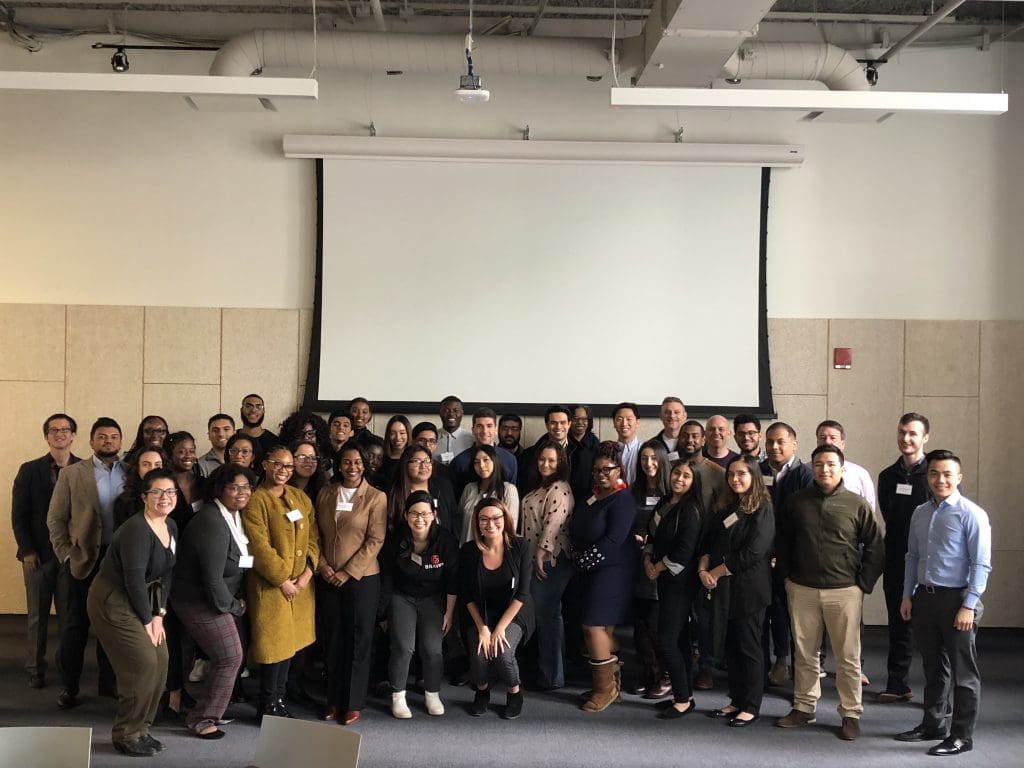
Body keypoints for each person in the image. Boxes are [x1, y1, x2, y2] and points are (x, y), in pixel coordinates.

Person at [774, 445, 883, 741]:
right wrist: (786, 577)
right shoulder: (797, 502)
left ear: (842, 468)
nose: (824, 470)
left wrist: (863, 584)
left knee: (847, 657)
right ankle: (804, 707)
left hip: (845, 591)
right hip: (802, 588)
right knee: (805, 653)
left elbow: (875, 546)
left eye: (831, 464)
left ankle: (850, 713)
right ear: (812, 467)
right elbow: (782, 542)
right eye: (819, 464)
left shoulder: (856, 504)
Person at [896, 450, 992, 756]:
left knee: (964, 673)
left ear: (959, 478)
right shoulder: (920, 512)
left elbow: (981, 564)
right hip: (925, 598)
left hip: (959, 600)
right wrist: (907, 594)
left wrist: (969, 604)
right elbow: (912, 556)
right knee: (933, 667)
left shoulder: (971, 514)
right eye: (934, 473)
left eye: (947, 474)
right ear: (927, 476)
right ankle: (933, 724)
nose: (940, 479)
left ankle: (962, 736)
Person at [86, 467, 177, 757]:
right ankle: (125, 732)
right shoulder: (137, 529)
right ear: (144, 497)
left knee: (161, 661)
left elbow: (166, 575)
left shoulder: (170, 526)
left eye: (171, 492)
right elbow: (134, 579)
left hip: (144, 599)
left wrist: (159, 614)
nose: (165, 497)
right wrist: (148, 619)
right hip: (112, 600)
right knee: (142, 665)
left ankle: (142, 728)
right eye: (157, 492)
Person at [171, 464, 257, 739]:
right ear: (220, 490)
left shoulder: (233, 516)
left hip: (216, 599)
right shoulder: (211, 521)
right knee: (230, 656)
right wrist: (234, 607)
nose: (241, 492)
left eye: (246, 487)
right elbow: (212, 580)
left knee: (230, 656)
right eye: (234, 487)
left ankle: (205, 711)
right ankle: (202, 718)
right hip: (198, 600)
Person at [46, 416, 124, 709]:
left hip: (116, 561)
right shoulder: (72, 474)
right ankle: (70, 686)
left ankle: (109, 683)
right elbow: (55, 519)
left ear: (120, 442)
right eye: (102, 437)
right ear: (91, 441)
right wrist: (65, 553)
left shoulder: (130, 473)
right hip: (81, 559)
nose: (108, 442)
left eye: (114, 437)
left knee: (112, 625)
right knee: (75, 627)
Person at [241, 446, 319, 719]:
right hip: (271, 587)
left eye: (288, 466)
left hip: (301, 587)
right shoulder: (256, 500)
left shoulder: (300, 497)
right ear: (264, 465)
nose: (284, 470)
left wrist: (308, 573)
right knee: (274, 646)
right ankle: (267, 704)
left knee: (291, 645)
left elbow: (314, 538)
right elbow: (258, 547)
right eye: (278, 465)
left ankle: (280, 698)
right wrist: (283, 581)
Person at [699, 456, 774, 727]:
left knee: (749, 647)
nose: (735, 479)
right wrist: (703, 566)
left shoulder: (762, 508)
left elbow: (754, 552)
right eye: (731, 474)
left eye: (742, 474)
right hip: (725, 589)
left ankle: (751, 706)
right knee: (731, 647)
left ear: (753, 475)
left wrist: (716, 572)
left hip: (750, 590)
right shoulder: (727, 505)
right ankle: (736, 699)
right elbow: (710, 540)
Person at [314, 442, 386, 726]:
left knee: (358, 641)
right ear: (339, 464)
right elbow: (315, 535)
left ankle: (353, 702)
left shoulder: (376, 497)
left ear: (365, 464)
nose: (352, 467)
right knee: (332, 640)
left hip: (362, 579)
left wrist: (347, 572)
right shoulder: (325, 492)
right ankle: (332, 699)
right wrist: (322, 566)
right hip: (327, 577)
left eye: (357, 462)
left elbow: (376, 539)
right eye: (346, 462)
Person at [11, 413, 81, 689]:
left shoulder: (82, 469)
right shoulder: (30, 470)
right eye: (54, 430)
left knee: (68, 615)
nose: (60, 434)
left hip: (70, 556)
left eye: (65, 430)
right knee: (37, 616)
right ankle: (35, 667)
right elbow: (19, 514)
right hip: (37, 556)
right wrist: (26, 549)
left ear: (74, 435)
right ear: (47, 436)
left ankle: (66, 665)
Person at [569, 441, 637, 713]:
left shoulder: (623, 499)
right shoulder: (593, 495)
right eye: (596, 470)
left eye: (607, 470)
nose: (601, 474)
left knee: (593, 626)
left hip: (612, 571)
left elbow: (613, 539)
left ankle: (604, 689)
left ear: (618, 470)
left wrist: (584, 560)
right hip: (590, 570)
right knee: (602, 630)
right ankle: (613, 683)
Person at [381, 490, 458, 719]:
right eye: (414, 514)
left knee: (432, 649)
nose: (419, 519)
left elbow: (453, 579)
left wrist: (449, 613)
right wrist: (384, 612)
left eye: (425, 514)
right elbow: (387, 577)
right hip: (401, 596)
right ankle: (398, 695)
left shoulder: (445, 540)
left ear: (434, 515)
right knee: (404, 647)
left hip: (434, 598)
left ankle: (432, 694)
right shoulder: (396, 539)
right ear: (406, 516)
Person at [460, 497, 534, 719]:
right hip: (481, 613)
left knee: (502, 652)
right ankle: (482, 691)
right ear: (477, 523)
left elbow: (522, 593)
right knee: (480, 653)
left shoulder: (521, 546)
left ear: (505, 519)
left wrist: (500, 628)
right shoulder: (468, 550)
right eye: (484, 519)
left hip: (514, 612)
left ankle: (514, 692)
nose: (490, 524)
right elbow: (466, 595)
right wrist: (483, 628)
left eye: (495, 518)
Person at [644, 459, 704, 719]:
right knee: (677, 640)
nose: (679, 479)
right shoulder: (666, 501)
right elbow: (652, 536)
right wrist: (648, 559)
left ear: (694, 482)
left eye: (686, 476)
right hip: (663, 580)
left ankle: (681, 698)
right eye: (677, 473)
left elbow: (684, 551)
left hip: (680, 581)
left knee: (668, 640)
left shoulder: (691, 509)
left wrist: (657, 567)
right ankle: (685, 696)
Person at [877, 412, 930, 703]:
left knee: (934, 629)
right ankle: (898, 684)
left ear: (925, 438)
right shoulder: (887, 476)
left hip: (931, 561)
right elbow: (888, 515)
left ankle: (939, 694)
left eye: (912, 433)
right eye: (901, 433)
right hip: (897, 557)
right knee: (899, 622)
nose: (906, 439)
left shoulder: (935, 474)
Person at [760, 421, 813, 687]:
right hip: (760, 555)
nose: (774, 446)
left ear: (794, 443)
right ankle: (770, 662)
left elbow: (805, 519)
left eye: (781, 441)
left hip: (792, 557)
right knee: (766, 609)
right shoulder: (757, 471)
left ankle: (793, 664)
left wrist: (782, 553)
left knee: (792, 612)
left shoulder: (805, 474)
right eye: (770, 441)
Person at [520, 441, 574, 691]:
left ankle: (551, 676)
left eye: (552, 460)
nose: (546, 464)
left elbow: (553, 524)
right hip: (535, 558)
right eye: (542, 459)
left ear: (561, 463)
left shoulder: (560, 487)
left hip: (551, 560)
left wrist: (541, 553)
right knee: (550, 617)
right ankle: (552, 673)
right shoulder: (539, 488)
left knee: (548, 617)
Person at [628, 440, 672, 699]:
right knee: (640, 624)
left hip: (662, 567)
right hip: (636, 564)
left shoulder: (671, 489)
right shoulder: (635, 490)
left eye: (654, 458)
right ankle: (650, 671)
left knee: (658, 625)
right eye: (644, 458)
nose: (649, 463)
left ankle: (666, 675)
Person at [387, 444, 457, 533]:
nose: (423, 466)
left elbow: (454, 518)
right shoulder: (395, 493)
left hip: (442, 544)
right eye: (417, 461)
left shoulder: (443, 487)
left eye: (427, 461)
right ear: (406, 464)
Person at [450, 407, 519, 497]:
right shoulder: (459, 462)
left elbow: (511, 496)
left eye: (489, 426)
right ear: (473, 429)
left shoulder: (509, 460)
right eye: (479, 426)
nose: (484, 431)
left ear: (496, 430)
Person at [458, 444, 520, 543]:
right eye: (476, 462)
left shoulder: (508, 490)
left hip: (496, 553)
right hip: (467, 551)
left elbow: (511, 527)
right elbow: (460, 521)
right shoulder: (469, 488)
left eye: (486, 460)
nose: (481, 466)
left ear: (495, 461)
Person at [814, 420, 877, 512]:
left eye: (833, 438)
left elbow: (869, 510)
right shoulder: (805, 470)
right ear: (817, 442)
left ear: (842, 444)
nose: (827, 442)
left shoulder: (860, 474)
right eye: (822, 438)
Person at [288, 439, 328, 506]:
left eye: (312, 458)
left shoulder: (323, 490)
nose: (308, 461)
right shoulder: (281, 489)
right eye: (302, 457)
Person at [435, 395, 473, 464]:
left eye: (456, 411)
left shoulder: (472, 439)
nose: (451, 414)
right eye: (446, 411)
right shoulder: (432, 438)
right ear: (440, 413)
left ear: (462, 413)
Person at [239, 394, 279, 458]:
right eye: (248, 406)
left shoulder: (275, 442)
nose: (253, 410)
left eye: (258, 407)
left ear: (263, 411)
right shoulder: (232, 437)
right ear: (241, 410)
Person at [612, 402, 641, 485]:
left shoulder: (644, 450)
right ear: (614, 423)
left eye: (629, 419)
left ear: (637, 422)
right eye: (619, 419)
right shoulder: (608, 451)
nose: (624, 424)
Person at [380, 415, 412, 489]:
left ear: (408, 434)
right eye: (392, 433)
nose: (397, 438)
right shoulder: (381, 460)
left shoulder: (414, 459)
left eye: (402, 433)